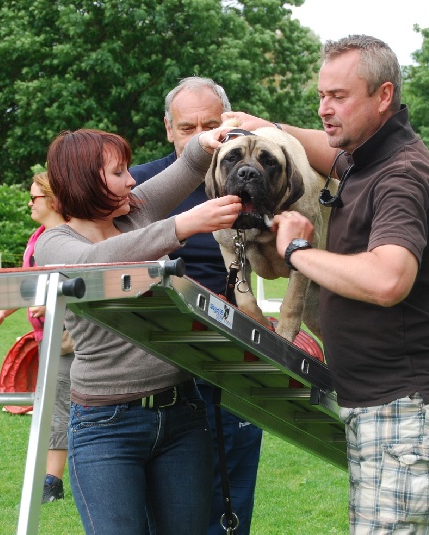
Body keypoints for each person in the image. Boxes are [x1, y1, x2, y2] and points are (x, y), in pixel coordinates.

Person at [223, 35, 429, 532]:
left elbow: (388, 279)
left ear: (383, 97)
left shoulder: (400, 175)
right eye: (320, 96)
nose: (324, 109)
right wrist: (266, 129)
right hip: (380, 396)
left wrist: (298, 251)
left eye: (338, 96)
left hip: (405, 401)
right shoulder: (368, 157)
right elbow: (321, 152)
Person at [34, 127, 240, 534]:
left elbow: (189, 165)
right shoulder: (54, 244)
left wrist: (207, 140)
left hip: (182, 414)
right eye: (118, 172)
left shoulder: (136, 212)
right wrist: (181, 226)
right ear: (84, 181)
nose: (132, 180)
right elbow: (97, 262)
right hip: (105, 426)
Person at [130, 76, 263, 535]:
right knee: (168, 510)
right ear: (169, 129)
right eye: (188, 127)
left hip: (232, 358)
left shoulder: (253, 177)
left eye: (212, 123)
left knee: (230, 501)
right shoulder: (143, 186)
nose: (201, 135)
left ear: (230, 121)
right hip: (162, 362)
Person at [0, 172, 73, 503]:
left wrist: (51, 307)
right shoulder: (37, 238)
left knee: (58, 404)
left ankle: (52, 483)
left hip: (68, 337)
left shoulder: (69, 238)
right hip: (47, 337)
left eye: (33, 198)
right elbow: (31, 283)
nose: (29, 203)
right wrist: (6, 309)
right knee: (57, 403)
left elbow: (78, 286)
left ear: (52, 201)